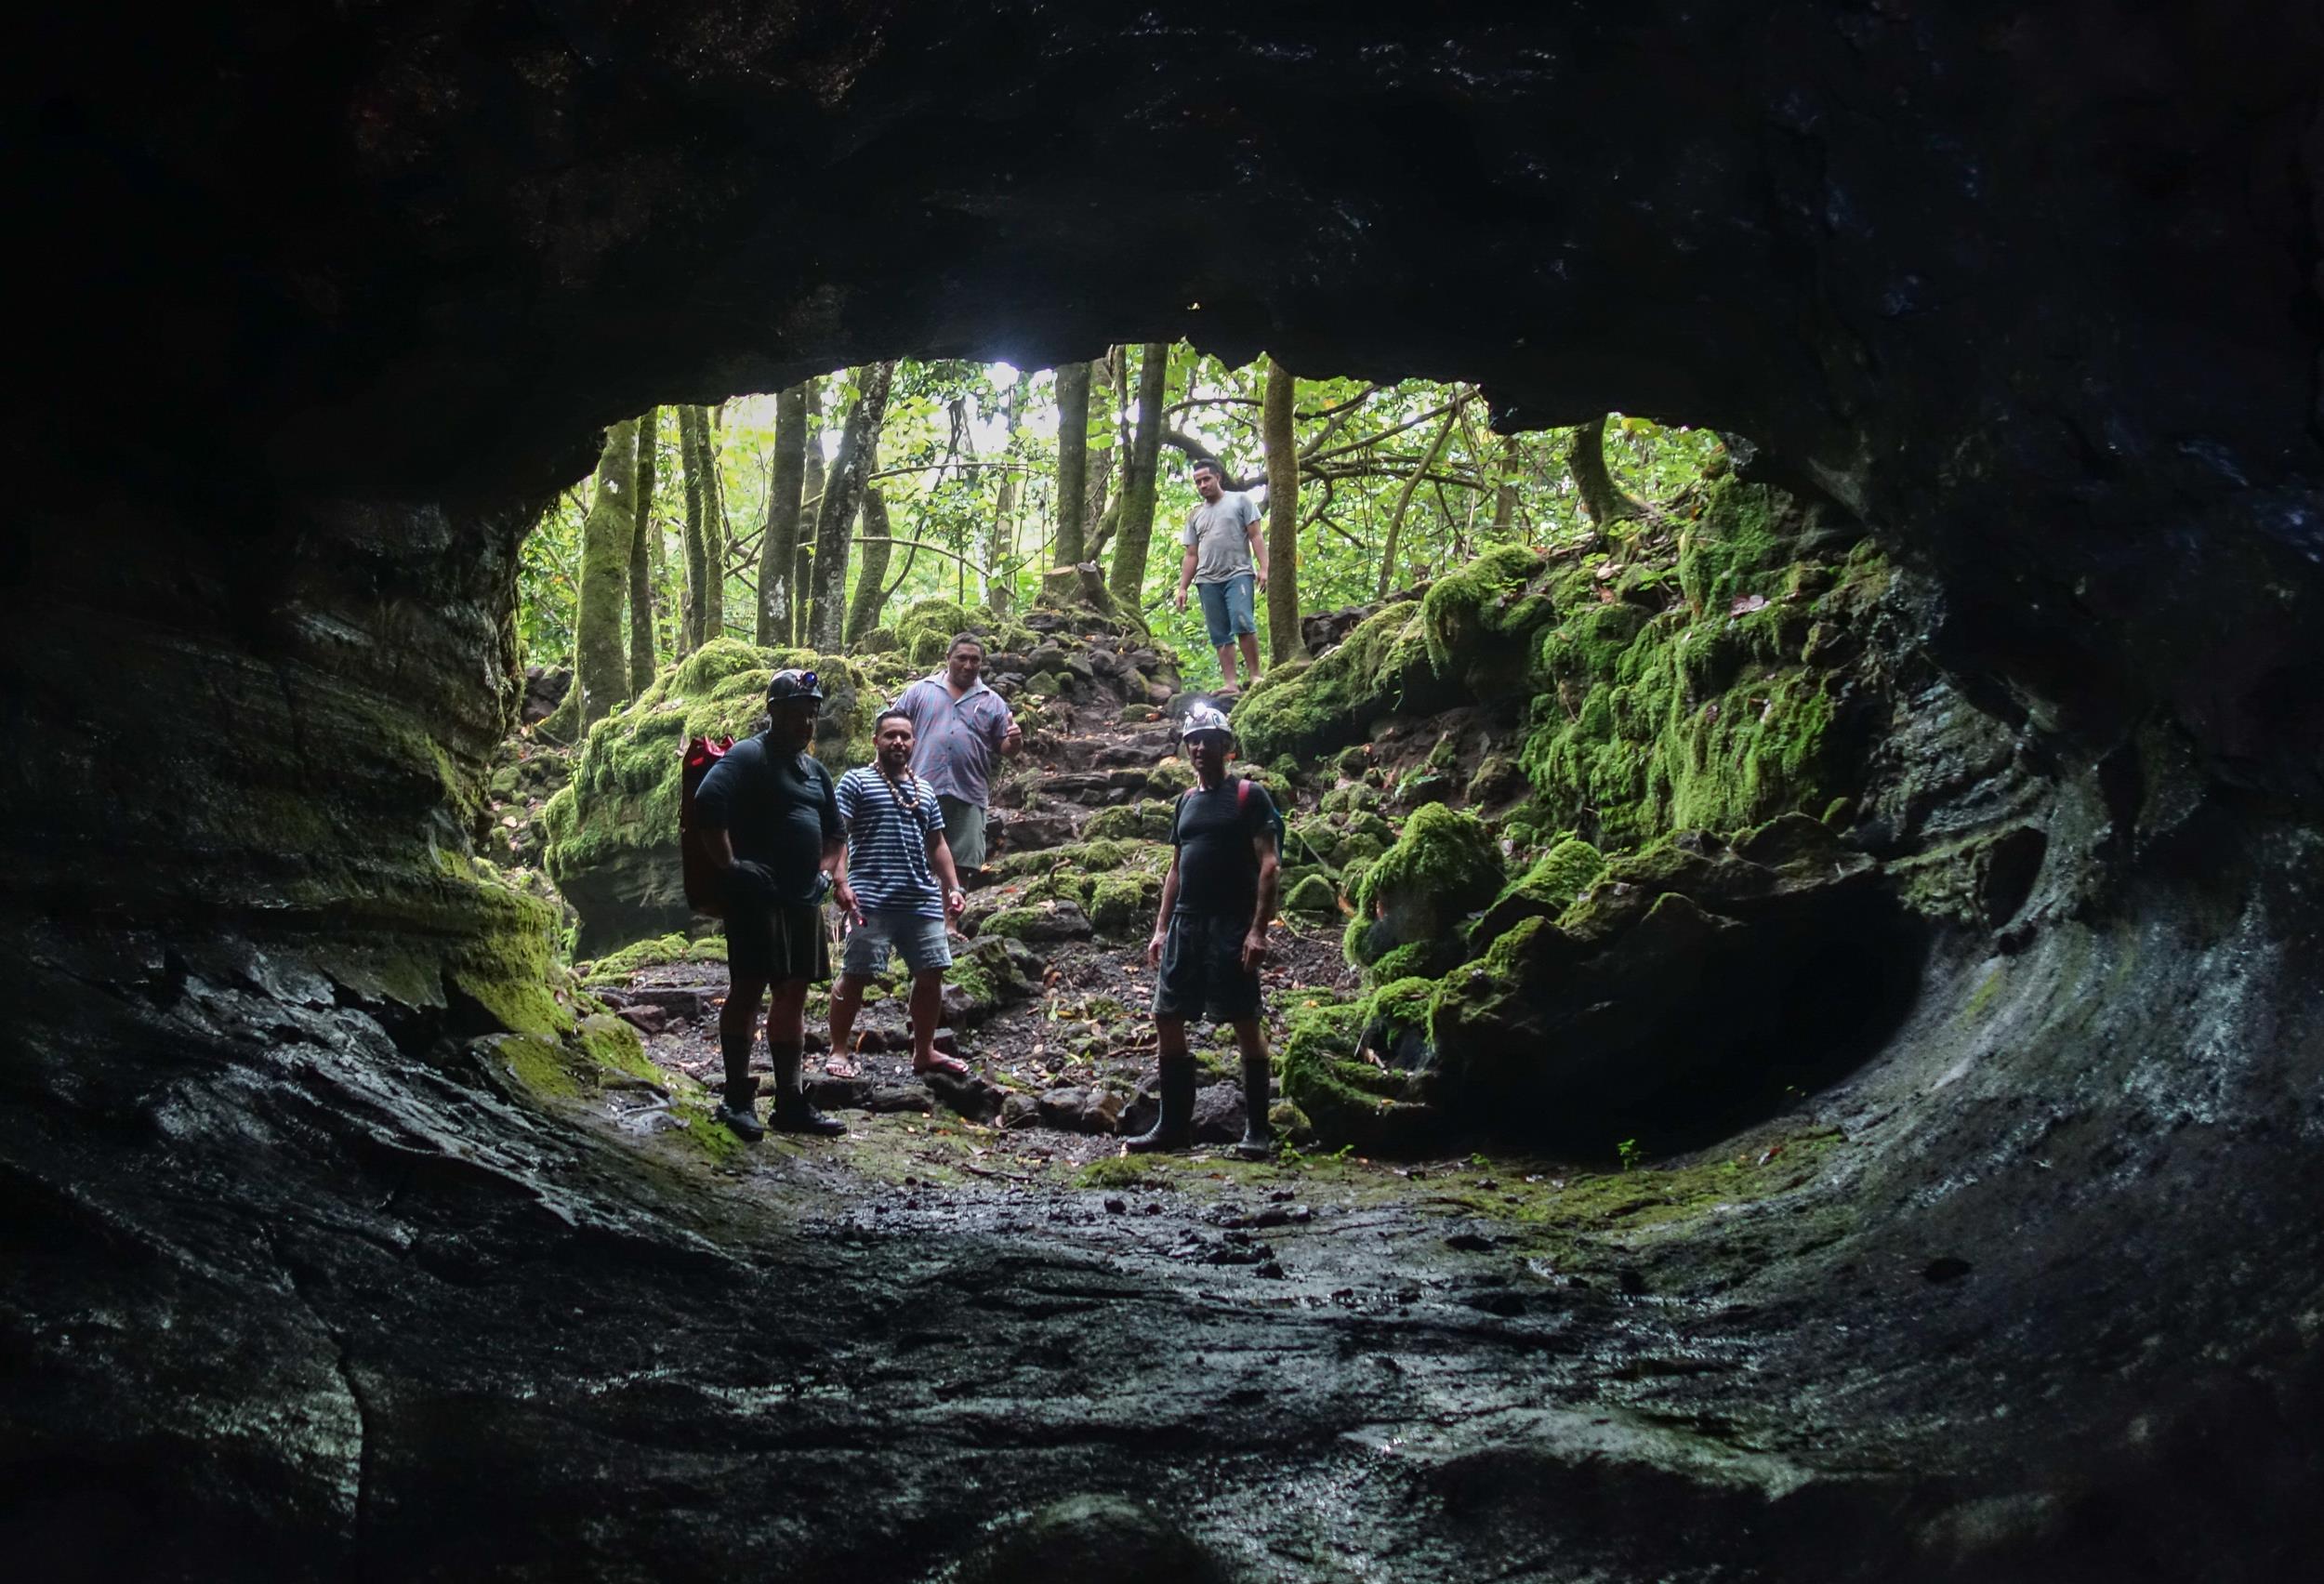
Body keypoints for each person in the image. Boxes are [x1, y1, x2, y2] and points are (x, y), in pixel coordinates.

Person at [691, 668, 848, 1141]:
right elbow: (707, 804)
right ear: (775, 713)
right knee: (748, 989)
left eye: (812, 714)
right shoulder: (748, 756)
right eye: (798, 713)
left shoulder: (814, 771)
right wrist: (732, 864)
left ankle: (790, 1101)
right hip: (757, 899)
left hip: (803, 900)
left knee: (794, 993)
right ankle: (737, 1098)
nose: (806, 723)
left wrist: (824, 870)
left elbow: (836, 831)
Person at [1126, 702, 1281, 1159]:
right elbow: (1175, 869)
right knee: (1166, 1014)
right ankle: (1173, 1127)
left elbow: (1269, 865)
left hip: (1231, 924)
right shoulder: (1185, 803)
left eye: (1208, 741)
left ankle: (1258, 1132)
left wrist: (1258, 931)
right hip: (1186, 925)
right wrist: (1160, 928)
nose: (1198, 748)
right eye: (1192, 741)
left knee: (1243, 1018)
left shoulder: (1248, 796)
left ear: (1225, 748)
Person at [827, 709, 972, 1078]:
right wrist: (840, 882)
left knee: (931, 973)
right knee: (856, 973)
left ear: (914, 742)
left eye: (905, 737)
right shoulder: (856, 782)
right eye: (890, 735)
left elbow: (937, 843)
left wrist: (952, 887)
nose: (899, 742)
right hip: (870, 897)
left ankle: (924, 1051)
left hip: (920, 899)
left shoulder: (924, 789)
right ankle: (839, 1050)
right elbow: (838, 835)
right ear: (875, 740)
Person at [891, 633, 1022, 875]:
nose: (968, 665)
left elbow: (1006, 749)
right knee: (915, 864)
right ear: (947, 658)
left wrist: (1014, 741)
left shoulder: (992, 702)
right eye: (961, 658)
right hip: (919, 792)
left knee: (962, 867)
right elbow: (891, 725)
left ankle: (951, 913)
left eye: (975, 660)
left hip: (968, 794)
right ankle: (923, 912)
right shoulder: (920, 691)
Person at [1172, 458, 1269, 693]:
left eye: (1206, 479)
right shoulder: (1195, 516)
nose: (1202, 485)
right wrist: (1182, 587)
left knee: (1242, 620)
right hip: (1207, 580)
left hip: (1239, 573)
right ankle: (1230, 683)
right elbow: (1191, 554)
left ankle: (1256, 675)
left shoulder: (1240, 501)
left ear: (1218, 477)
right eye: (1198, 482)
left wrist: (1264, 568)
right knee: (1219, 632)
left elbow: (1256, 536)